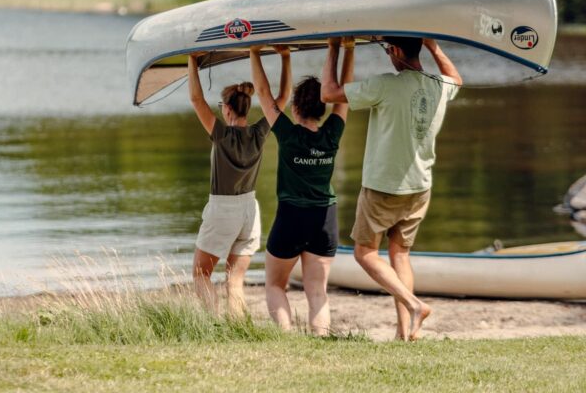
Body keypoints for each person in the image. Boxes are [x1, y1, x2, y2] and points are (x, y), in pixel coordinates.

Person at [321, 36, 462, 341]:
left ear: (396, 51)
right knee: (400, 255)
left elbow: (328, 93)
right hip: (419, 187)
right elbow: (457, 79)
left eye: (387, 50)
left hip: (383, 187)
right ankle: (406, 333)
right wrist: (434, 46)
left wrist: (334, 47)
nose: (387, 56)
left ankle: (414, 305)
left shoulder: (385, 85)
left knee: (365, 253)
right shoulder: (439, 85)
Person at [250, 40, 354, 335]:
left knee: (274, 284)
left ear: (295, 107)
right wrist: (349, 49)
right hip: (325, 218)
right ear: (323, 107)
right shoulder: (332, 132)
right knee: (317, 292)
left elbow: (263, 93)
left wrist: (254, 53)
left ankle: (285, 339)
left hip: (291, 217)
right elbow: (343, 94)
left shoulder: (288, 134)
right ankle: (320, 339)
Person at [188, 50, 291, 316]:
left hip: (223, 210)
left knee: (201, 275)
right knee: (234, 280)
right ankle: (238, 328)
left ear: (228, 109)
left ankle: (213, 326)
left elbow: (196, 99)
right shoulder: (259, 133)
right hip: (250, 212)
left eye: (222, 106)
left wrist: (192, 60)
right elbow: (282, 99)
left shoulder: (221, 135)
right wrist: (286, 58)